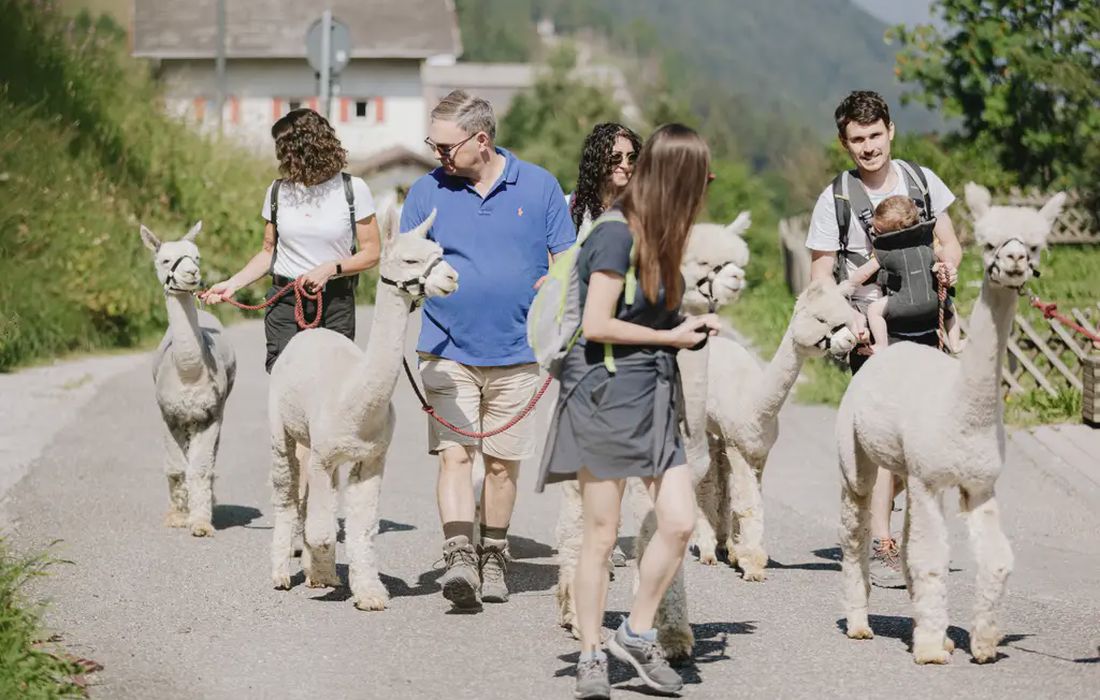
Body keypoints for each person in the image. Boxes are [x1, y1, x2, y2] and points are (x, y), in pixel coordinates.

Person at [536, 124, 720, 699]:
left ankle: (634, 634)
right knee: (601, 534)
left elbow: (648, 314)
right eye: (700, 181)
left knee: (680, 521)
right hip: (604, 395)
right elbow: (596, 324)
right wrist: (673, 338)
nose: (703, 194)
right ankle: (591, 654)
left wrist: (687, 324)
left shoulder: (659, 234)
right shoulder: (615, 234)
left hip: (654, 396)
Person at [399, 90, 576, 609]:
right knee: (455, 456)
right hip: (445, 349)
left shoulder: (539, 186)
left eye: (445, 146)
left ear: (481, 140)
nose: (438, 154)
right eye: (433, 144)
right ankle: (459, 557)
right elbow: (404, 260)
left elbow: (568, 258)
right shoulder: (425, 192)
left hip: (518, 352)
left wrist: (558, 284)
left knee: (501, 464)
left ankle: (494, 552)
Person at [805, 90, 962, 588]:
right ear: (844, 142)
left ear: (890, 131)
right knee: (885, 437)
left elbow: (949, 242)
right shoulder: (835, 199)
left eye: (875, 135)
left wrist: (948, 267)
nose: (869, 147)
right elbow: (821, 274)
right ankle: (883, 539)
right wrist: (847, 322)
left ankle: (901, 525)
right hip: (872, 332)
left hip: (926, 322)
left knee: (927, 433)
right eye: (858, 139)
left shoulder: (923, 181)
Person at [201, 108, 382, 513]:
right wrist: (232, 284)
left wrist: (332, 268)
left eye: (284, 147)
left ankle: (312, 497)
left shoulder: (352, 190)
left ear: (304, 145)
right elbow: (268, 252)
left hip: (334, 302)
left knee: (327, 402)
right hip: (287, 302)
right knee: (291, 400)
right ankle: (295, 498)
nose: (280, 156)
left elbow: (372, 252)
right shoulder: (278, 192)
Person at [853, 195, 960, 354]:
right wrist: (944, 268)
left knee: (874, 310)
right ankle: (955, 343)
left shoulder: (885, 252)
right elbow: (940, 262)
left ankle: (881, 345)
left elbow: (863, 274)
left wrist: (849, 283)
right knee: (950, 307)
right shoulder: (927, 244)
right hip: (932, 302)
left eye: (877, 229)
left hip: (902, 305)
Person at [569, 122, 642, 229]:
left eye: (632, 157)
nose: (626, 165)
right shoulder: (572, 207)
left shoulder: (643, 208)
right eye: (616, 157)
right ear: (597, 161)